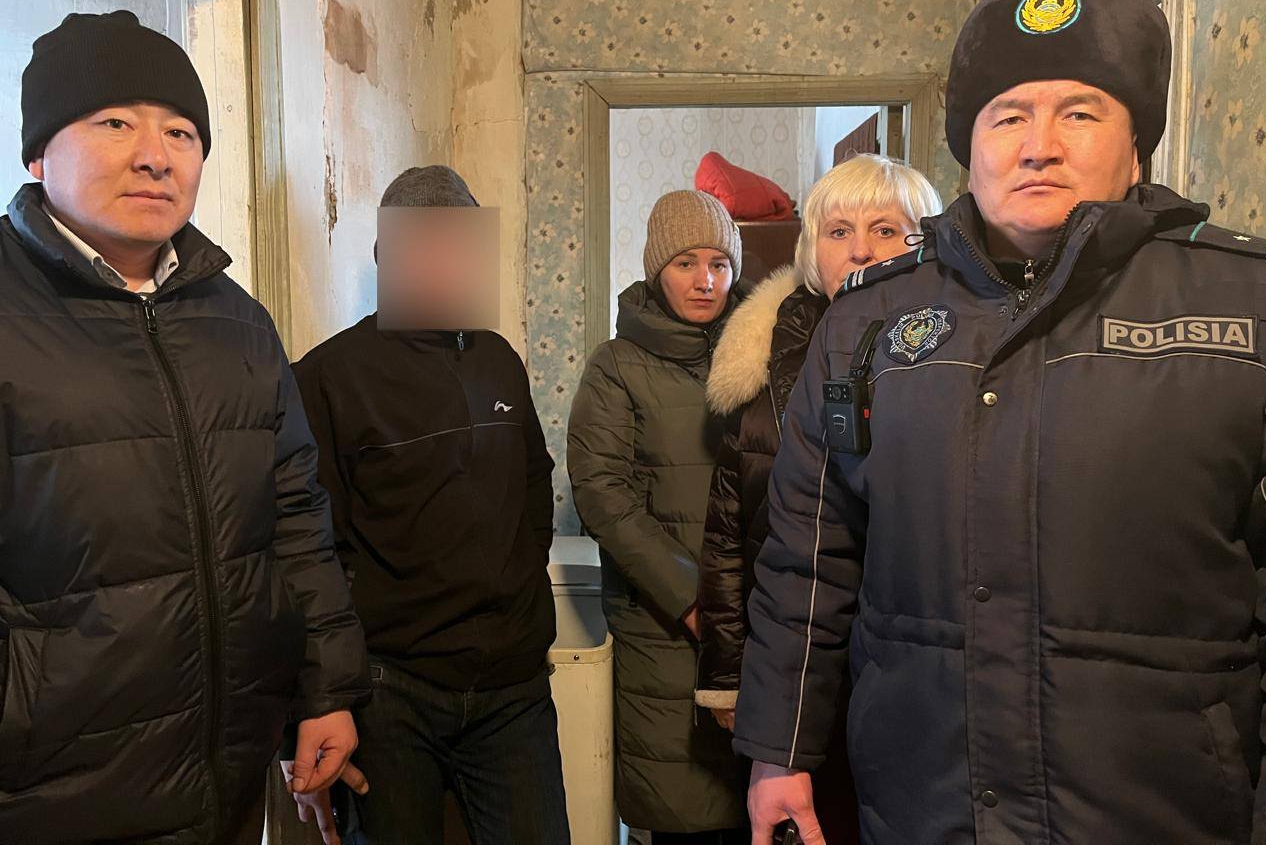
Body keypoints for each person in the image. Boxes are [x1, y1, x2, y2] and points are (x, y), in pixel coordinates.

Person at [736, 0, 1266, 845]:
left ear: (1136, 142)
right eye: (1009, 116)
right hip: (925, 805)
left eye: (1080, 113)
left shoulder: (1252, 308)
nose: (1039, 146)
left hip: (1166, 810)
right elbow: (811, 554)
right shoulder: (868, 323)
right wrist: (778, 751)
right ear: (972, 145)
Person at [0, 10, 369, 844]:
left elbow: (295, 521)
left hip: (223, 779)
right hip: (45, 796)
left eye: (181, 132)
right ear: (38, 152)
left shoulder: (237, 322)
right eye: (114, 123)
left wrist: (324, 690)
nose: (155, 155)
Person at [292, 165, 570, 845]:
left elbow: (534, 486)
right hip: (391, 690)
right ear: (386, 255)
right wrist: (324, 693)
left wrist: (516, 587)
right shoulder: (327, 376)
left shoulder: (499, 359)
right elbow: (309, 547)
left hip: (512, 688)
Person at [695, 154, 941, 843]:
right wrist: (728, 678)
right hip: (795, 673)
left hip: (918, 680)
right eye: (838, 231)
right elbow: (727, 534)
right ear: (812, 250)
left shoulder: (955, 361)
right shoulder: (758, 361)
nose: (860, 250)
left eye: (885, 229)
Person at [568, 189, 750, 843]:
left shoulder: (760, 354)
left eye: (719, 264)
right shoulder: (617, 366)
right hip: (666, 623)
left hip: (758, 619)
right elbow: (602, 493)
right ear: (656, 271)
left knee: (761, 809)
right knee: (684, 810)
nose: (706, 281)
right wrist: (694, 600)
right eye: (685, 263)